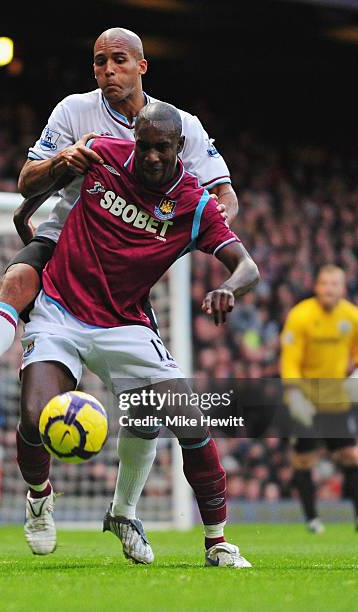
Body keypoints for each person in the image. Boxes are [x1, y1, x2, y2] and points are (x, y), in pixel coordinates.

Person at [17, 102, 259, 566]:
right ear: (134, 140)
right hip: (60, 311)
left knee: (189, 420)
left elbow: (247, 266)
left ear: (178, 148)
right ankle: (39, 497)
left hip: (125, 324)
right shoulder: (102, 154)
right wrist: (24, 214)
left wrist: (229, 288)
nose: (149, 157)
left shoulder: (194, 205)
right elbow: (40, 182)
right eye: (143, 146)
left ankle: (215, 542)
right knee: (34, 417)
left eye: (160, 149)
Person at [0, 26, 237, 411]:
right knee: (17, 278)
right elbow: (26, 181)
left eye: (119, 61)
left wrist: (185, 237)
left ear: (142, 66)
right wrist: (61, 159)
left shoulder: (181, 126)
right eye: (100, 62)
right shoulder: (74, 110)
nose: (108, 70)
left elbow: (225, 198)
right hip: (70, 233)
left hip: (128, 258)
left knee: (147, 413)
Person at [280, 265, 358, 533]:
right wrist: (294, 393)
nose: (329, 289)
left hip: (337, 399)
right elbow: (290, 362)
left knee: (351, 455)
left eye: (335, 284)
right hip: (306, 400)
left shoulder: (352, 316)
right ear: (317, 286)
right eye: (324, 283)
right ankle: (312, 519)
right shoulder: (301, 316)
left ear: (342, 288)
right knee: (304, 459)